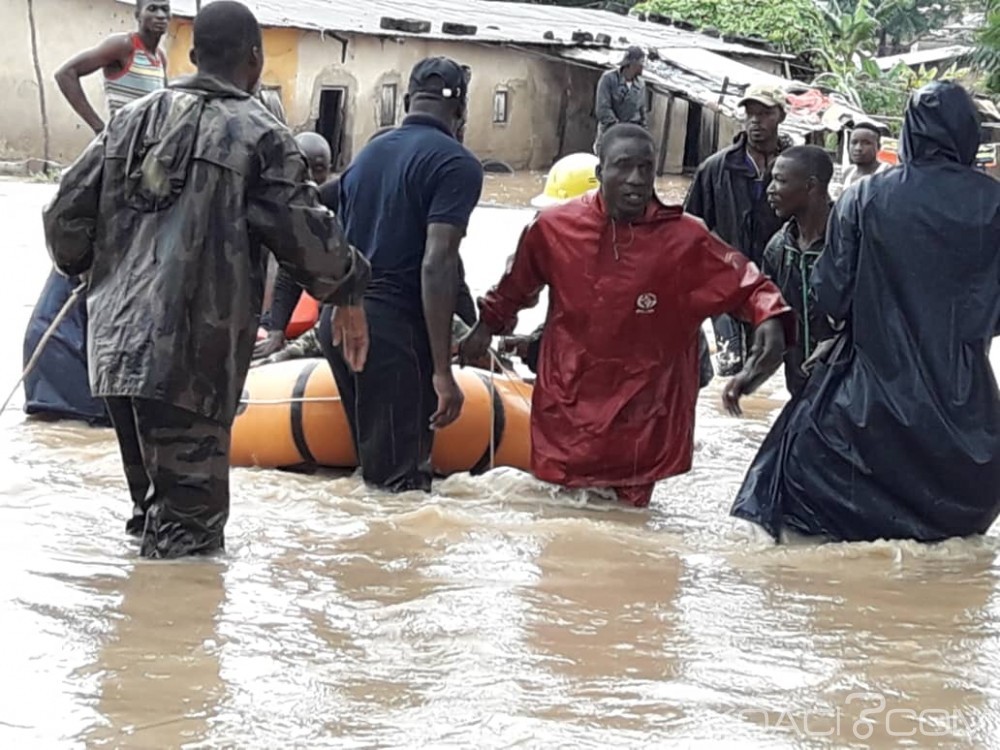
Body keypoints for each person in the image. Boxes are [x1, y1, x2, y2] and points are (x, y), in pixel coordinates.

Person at [42, 1, 371, 559]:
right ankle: (171, 639)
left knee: (151, 517)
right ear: (255, 59)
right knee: (189, 541)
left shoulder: (129, 120)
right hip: (191, 361)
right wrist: (350, 290)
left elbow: (62, 217)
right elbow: (305, 236)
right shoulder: (259, 135)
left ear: (191, 56)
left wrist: (91, 271)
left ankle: (135, 632)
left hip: (115, 352)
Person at [460, 124, 794, 508]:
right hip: (569, 404)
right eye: (623, 167)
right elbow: (514, 289)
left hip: (645, 413)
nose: (636, 180)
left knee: (630, 523)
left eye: (646, 168)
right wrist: (483, 330)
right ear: (601, 173)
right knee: (558, 532)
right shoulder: (553, 229)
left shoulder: (685, 238)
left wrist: (770, 320)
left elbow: (747, 284)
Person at [731, 81, 1000, 544]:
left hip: (863, 407)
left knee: (780, 496)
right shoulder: (994, 205)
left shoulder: (864, 197)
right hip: (964, 418)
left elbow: (830, 294)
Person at [317, 56, 484, 493]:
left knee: (374, 476)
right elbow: (437, 263)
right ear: (462, 111)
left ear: (408, 100)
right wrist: (443, 372)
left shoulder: (369, 152)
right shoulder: (457, 164)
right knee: (400, 489)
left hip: (337, 324)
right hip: (391, 338)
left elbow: (315, 209)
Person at [685, 84, 792, 376]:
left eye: (765, 113)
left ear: (781, 116)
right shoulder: (715, 169)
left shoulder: (796, 168)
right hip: (726, 284)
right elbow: (689, 227)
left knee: (772, 366)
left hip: (779, 286)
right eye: (750, 113)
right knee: (731, 366)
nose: (756, 120)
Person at [760, 145, 837, 397]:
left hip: (850, 388)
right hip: (800, 385)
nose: (770, 190)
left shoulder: (851, 241)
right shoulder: (777, 248)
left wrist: (836, 342)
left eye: (780, 180)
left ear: (811, 186)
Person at [54, 0, 171, 134]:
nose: (160, 15)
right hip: (122, 143)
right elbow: (65, 74)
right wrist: (99, 128)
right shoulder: (124, 45)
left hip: (146, 145)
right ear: (138, 15)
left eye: (165, 9)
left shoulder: (160, 57)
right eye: (152, 9)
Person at [594, 47, 647, 154]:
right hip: (610, 137)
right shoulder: (608, 79)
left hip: (631, 140)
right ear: (632, 63)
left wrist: (643, 134)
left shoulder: (641, 84)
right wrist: (618, 129)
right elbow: (603, 109)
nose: (643, 66)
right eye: (641, 62)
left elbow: (642, 112)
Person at [841, 122, 890, 190]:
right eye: (854, 142)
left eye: (866, 143)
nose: (858, 148)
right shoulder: (848, 172)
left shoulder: (887, 172)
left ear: (878, 147)